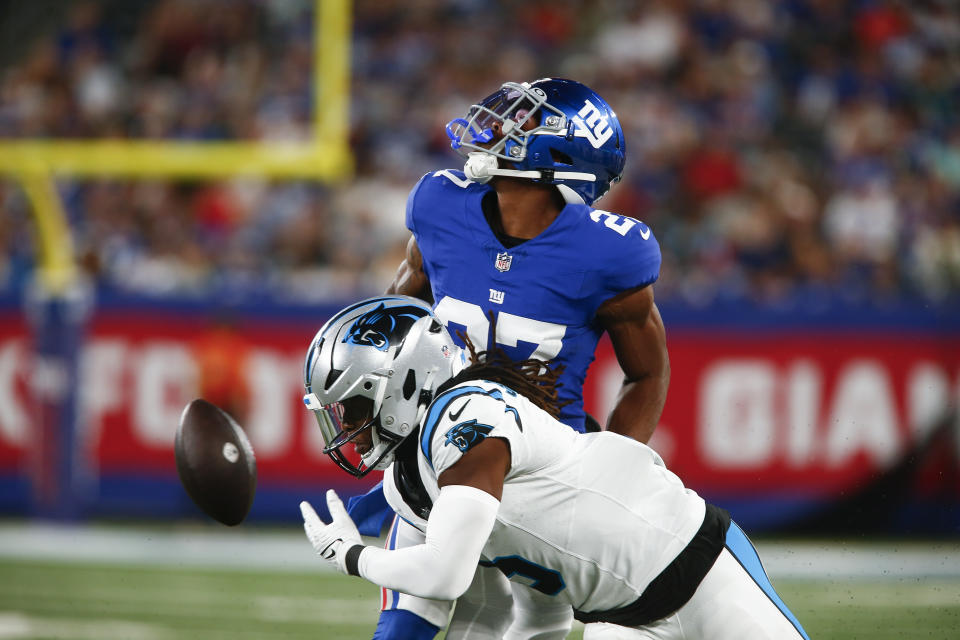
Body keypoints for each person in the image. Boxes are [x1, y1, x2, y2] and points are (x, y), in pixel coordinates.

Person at [355, 77, 670, 638]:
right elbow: (397, 327)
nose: (493, 126)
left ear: (559, 153)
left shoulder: (610, 252)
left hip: (541, 475)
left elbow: (647, 372)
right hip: (445, 452)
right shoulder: (439, 204)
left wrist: (610, 467)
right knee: (404, 627)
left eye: (520, 121)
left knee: (516, 627)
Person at [300, 296, 811, 640]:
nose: (349, 428)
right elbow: (535, 592)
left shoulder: (467, 418)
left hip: (698, 566)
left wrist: (350, 556)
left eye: (354, 408)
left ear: (405, 382)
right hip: (620, 618)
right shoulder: (411, 479)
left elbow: (445, 573)